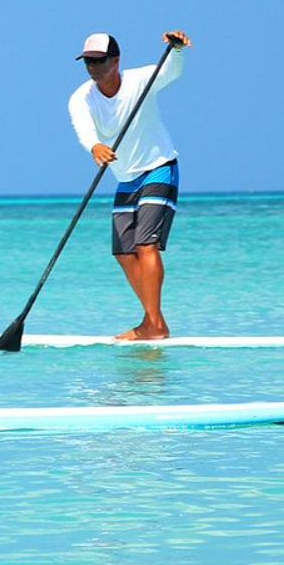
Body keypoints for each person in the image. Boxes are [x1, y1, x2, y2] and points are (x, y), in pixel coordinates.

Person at [67, 29, 191, 340]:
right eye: (88, 63)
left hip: (158, 168)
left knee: (145, 244)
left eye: (100, 61)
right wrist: (94, 146)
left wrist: (176, 50)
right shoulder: (81, 97)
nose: (93, 68)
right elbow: (84, 128)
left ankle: (152, 324)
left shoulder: (141, 80)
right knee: (123, 252)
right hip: (125, 178)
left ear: (116, 61)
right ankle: (155, 322)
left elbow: (172, 71)